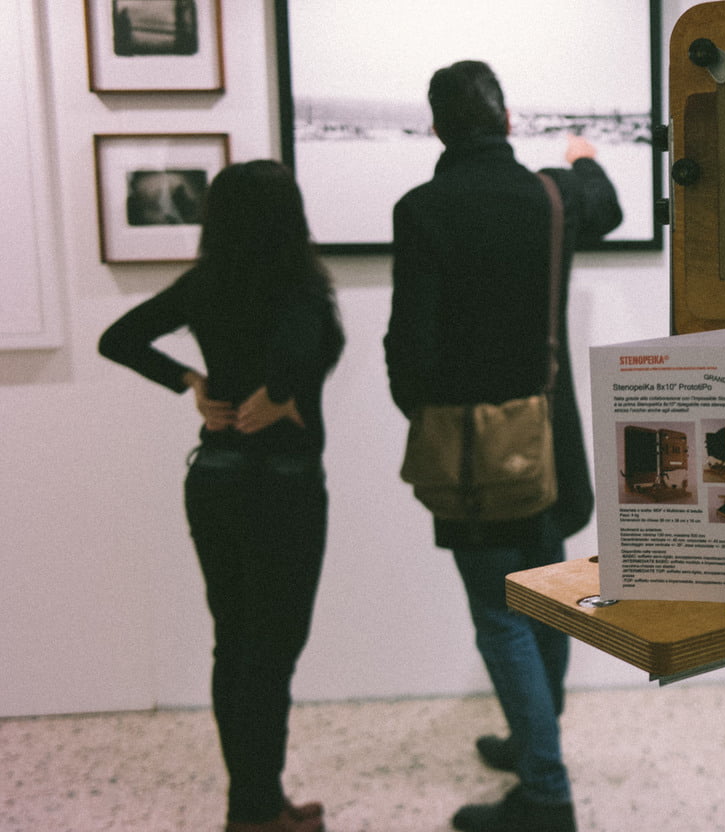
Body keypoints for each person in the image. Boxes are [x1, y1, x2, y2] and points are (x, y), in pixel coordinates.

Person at [384, 60, 621, 832]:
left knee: (501, 613)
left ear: (438, 129)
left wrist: (421, 410)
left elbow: (408, 345)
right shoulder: (554, 194)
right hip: (548, 445)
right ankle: (531, 741)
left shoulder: (422, 208)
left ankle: (546, 793)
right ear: (509, 119)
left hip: (471, 452)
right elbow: (609, 204)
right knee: (544, 603)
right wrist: (582, 154)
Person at [98, 160, 344, 832]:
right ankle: (256, 810)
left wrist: (193, 383)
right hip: (284, 488)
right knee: (271, 654)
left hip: (215, 480)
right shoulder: (300, 287)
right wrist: (283, 395)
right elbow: (297, 351)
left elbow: (117, 339)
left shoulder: (205, 282)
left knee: (233, 646)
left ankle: (256, 803)